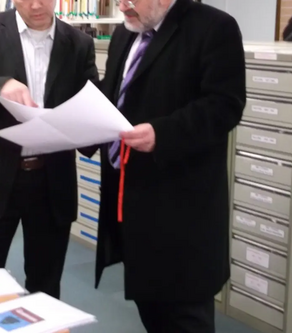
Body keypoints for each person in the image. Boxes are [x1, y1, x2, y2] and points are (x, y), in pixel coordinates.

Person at [89, 0, 246, 331]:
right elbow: (115, 94)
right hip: (134, 208)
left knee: (184, 318)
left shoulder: (214, 28)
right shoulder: (126, 32)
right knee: (153, 312)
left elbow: (225, 106)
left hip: (182, 217)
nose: (121, 5)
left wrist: (163, 133)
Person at [0, 0, 98, 299]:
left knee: (46, 287)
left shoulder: (79, 43)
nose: (36, 5)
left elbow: (90, 104)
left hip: (51, 182)